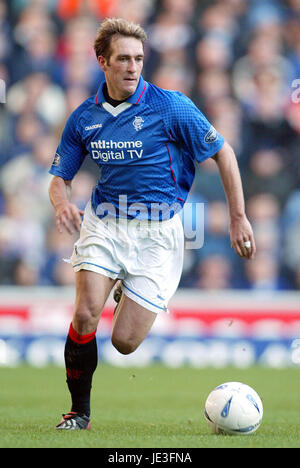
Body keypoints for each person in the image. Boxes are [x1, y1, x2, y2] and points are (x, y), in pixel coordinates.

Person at [48, 18, 256, 430]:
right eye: (123, 59)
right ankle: (79, 412)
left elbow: (224, 154)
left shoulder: (170, 105)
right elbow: (60, 177)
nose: (132, 67)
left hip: (158, 233)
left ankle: (127, 288)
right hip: (105, 221)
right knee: (86, 314)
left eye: (139, 59)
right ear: (102, 61)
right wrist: (61, 204)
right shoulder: (83, 118)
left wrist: (237, 217)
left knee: (124, 344)